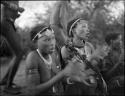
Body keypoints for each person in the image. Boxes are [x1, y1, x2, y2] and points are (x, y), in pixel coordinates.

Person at [22, 25, 91, 96]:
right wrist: (63, 73)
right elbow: (33, 91)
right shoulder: (33, 57)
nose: (52, 43)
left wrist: (73, 79)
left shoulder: (53, 55)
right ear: (36, 42)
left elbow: (58, 78)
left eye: (53, 38)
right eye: (47, 40)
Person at [0, 1, 25, 90]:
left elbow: (8, 8)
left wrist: (15, 15)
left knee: (17, 53)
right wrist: (17, 8)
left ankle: (5, 80)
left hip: (9, 23)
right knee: (19, 53)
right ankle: (8, 85)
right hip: (6, 22)